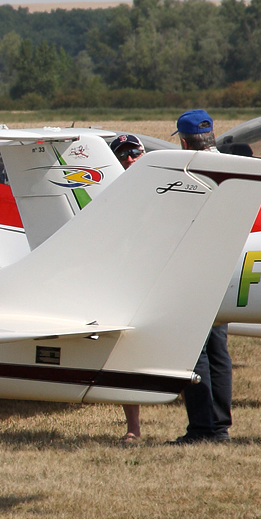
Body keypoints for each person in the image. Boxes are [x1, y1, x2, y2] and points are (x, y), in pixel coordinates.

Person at [172, 110, 233, 444]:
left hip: (196, 271)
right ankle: (220, 425)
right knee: (218, 350)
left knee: (194, 350)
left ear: (183, 141)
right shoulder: (235, 168)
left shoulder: (190, 172)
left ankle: (201, 428)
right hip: (228, 268)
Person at [110, 134, 147, 443]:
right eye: (123, 155)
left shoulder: (164, 184)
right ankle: (133, 427)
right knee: (127, 350)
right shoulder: (111, 193)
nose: (130, 159)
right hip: (129, 281)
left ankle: (206, 425)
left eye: (134, 152)